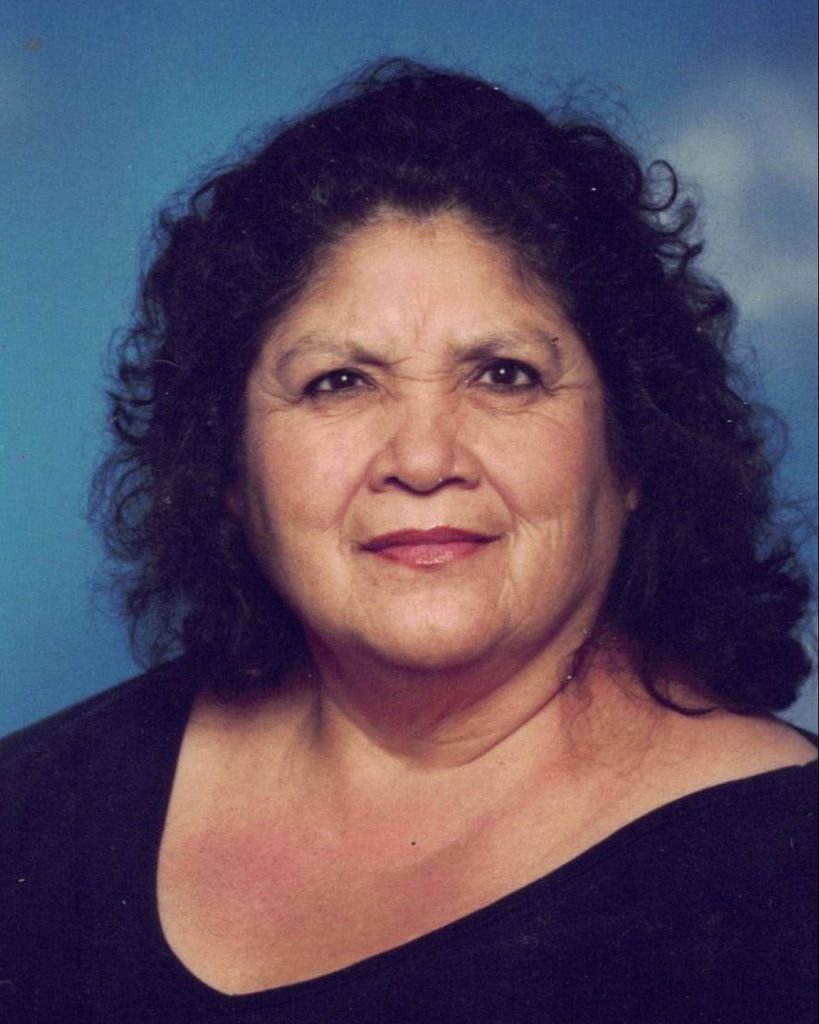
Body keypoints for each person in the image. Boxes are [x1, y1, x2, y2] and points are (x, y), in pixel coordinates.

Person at [1, 59, 815, 1024]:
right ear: (227, 467)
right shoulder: (31, 812)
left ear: (633, 448)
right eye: (339, 382)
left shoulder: (786, 880)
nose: (423, 459)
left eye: (504, 375)